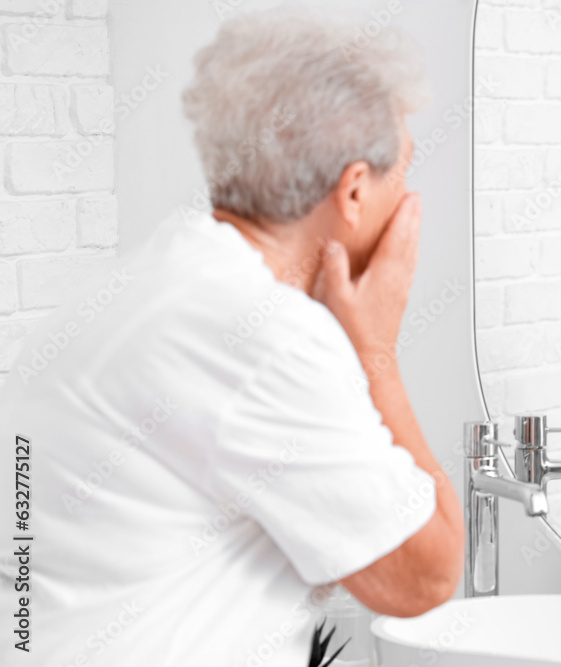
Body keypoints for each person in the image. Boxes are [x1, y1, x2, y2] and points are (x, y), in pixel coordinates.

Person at [0, 10, 462, 666]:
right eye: (405, 171)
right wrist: (375, 352)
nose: (412, 199)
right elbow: (426, 574)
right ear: (354, 190)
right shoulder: (265, 339)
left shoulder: (121, 293)